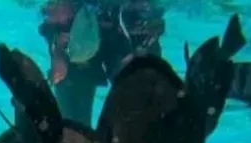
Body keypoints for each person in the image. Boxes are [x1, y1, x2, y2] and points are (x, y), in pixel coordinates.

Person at [38, 0, 167, 127]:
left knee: (142, 105)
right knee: (72, 123)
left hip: (128, 28)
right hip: (79, 31)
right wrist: (58, 46)